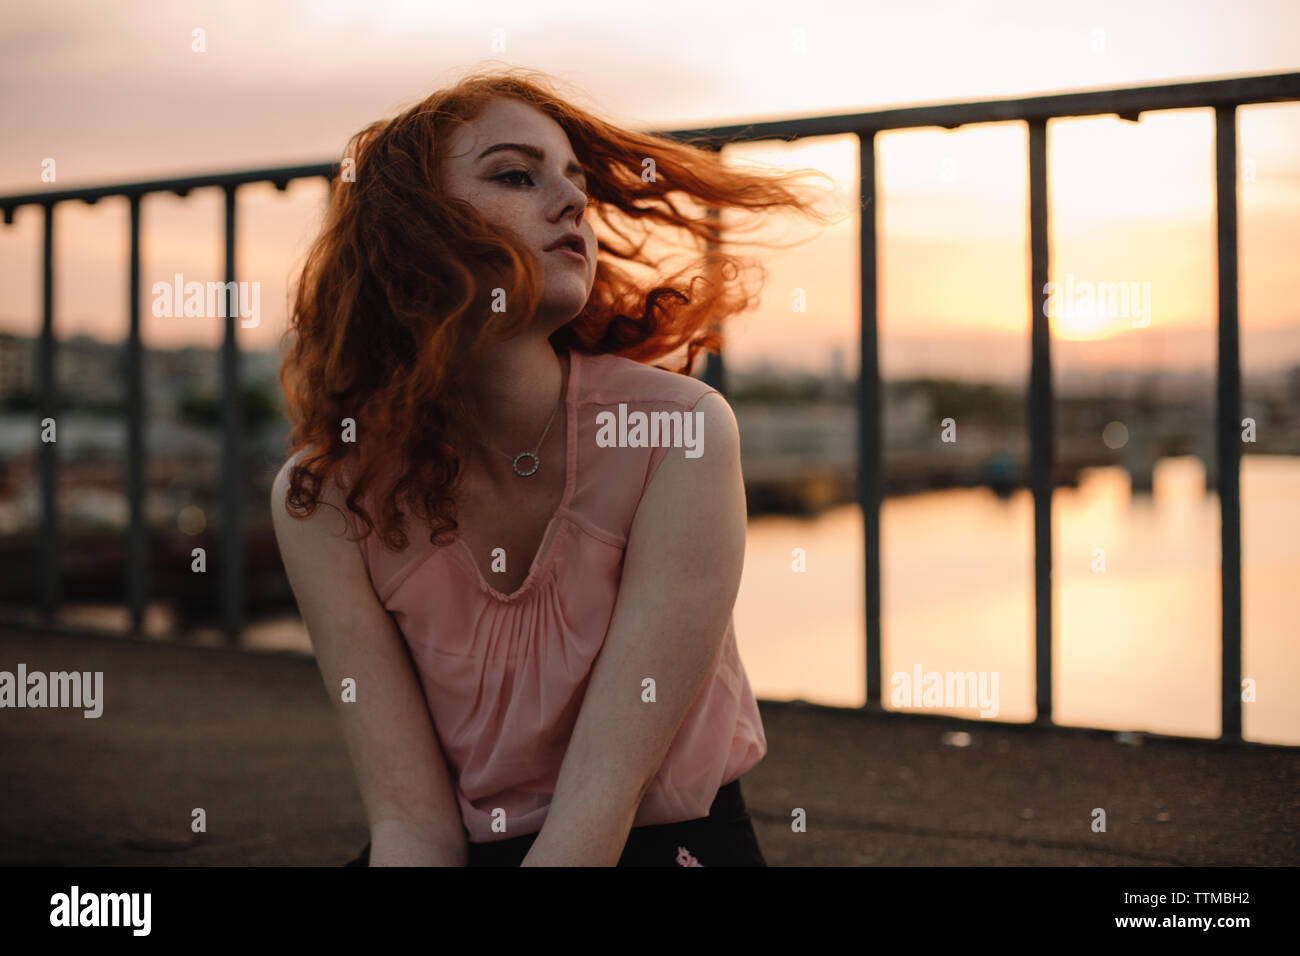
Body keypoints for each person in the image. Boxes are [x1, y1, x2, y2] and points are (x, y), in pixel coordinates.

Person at [270, 66, 836, 866]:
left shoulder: (679, 430)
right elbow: (409, 825)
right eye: (514, 175)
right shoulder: (327, 496)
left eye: (575, 181)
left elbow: (597, 817)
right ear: (409, 231)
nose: (573, 204)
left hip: (654, 845)